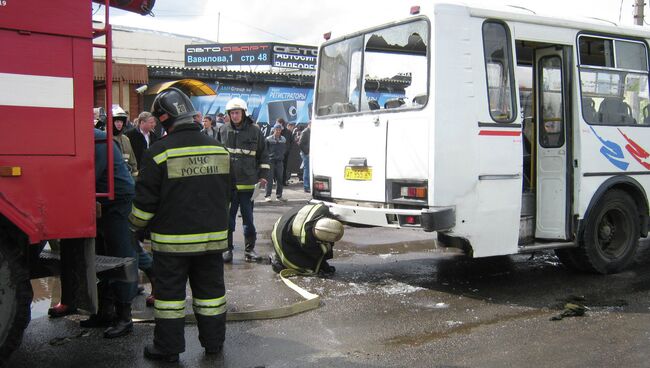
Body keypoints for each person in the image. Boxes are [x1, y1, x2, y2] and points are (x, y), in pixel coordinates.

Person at [130, 87, 231, 362]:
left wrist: (133, 227)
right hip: (212, 241)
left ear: (163, 119)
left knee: (171, 300)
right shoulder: (219, 149)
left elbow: (144, 205)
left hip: (172, 244)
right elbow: (229, 193)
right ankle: (213, 344)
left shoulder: (159, 152)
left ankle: (168, 348)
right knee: (211, 296)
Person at [79, 128, 138, 339]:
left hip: (117, 202)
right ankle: (105, 311)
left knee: (121, 259)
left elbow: (89, 174)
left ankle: (125, 317)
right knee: (103, 258)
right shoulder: (92, 138)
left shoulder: (98, 141)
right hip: (102, 202)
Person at [218, 97, 269, 263]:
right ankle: (227, 250)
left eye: (237, 112)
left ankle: (249, 251)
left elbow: (263, 155)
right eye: (232, 113)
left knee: (248, 220)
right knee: (227, 219)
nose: (234, 116)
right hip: (229, 186)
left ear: (243, 113)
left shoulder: (255, 131)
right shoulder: (223, 130)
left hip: (248, 185)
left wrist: (263, 176)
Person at [112, 105, 139, 176]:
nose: (119, 124)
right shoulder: (106, 139)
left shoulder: (125, 139)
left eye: (121, 122)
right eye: (117, 121)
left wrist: (134, 174)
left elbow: (132, 160)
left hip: (127, 175)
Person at [264, 123, 287, 202]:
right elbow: (265, 150)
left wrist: (282, 155)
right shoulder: (268, 139)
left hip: (280, 161)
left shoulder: (283, 139)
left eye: (279, 130)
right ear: (273, 130)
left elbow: (284, 149)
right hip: (271, 161)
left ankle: (279, 196)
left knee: (280, 179)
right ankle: (267, 196)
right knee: (269, 179)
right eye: (276, 129)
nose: (278, 131)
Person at [299, 121, 311, 192]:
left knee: (308, 170)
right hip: (306, 154)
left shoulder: (310, 131)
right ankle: (306, 186)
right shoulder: (305, 132)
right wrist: (307, 152)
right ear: (309, 124)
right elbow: (300, 143)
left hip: (309, 153)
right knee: (307, 170)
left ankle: (308, 186)